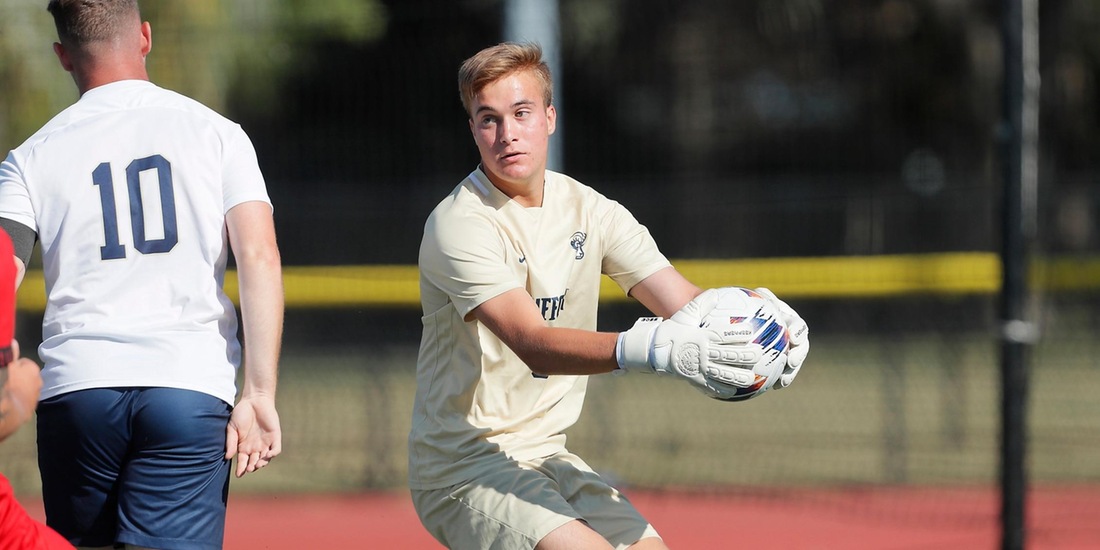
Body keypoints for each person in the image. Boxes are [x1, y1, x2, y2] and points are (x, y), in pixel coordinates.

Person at [409, 42, 810, 550]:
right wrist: (651, 349)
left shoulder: (591, 210)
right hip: (462, 468)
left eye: (521, 112)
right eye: (488, 119)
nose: (507, 133)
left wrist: (764, 331)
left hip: (548, 456)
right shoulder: (459, 224)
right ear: (472, 129)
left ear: (550, 117)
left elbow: (686, 305)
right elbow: (533, 342)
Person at [0, 1, 284, 548]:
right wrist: (260, 391)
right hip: (186, 383)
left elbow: (3, 268)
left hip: (78, 388)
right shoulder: (219, 134)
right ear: (145, 37)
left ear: (62, 56)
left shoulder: (28, 157)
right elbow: (259, 256)